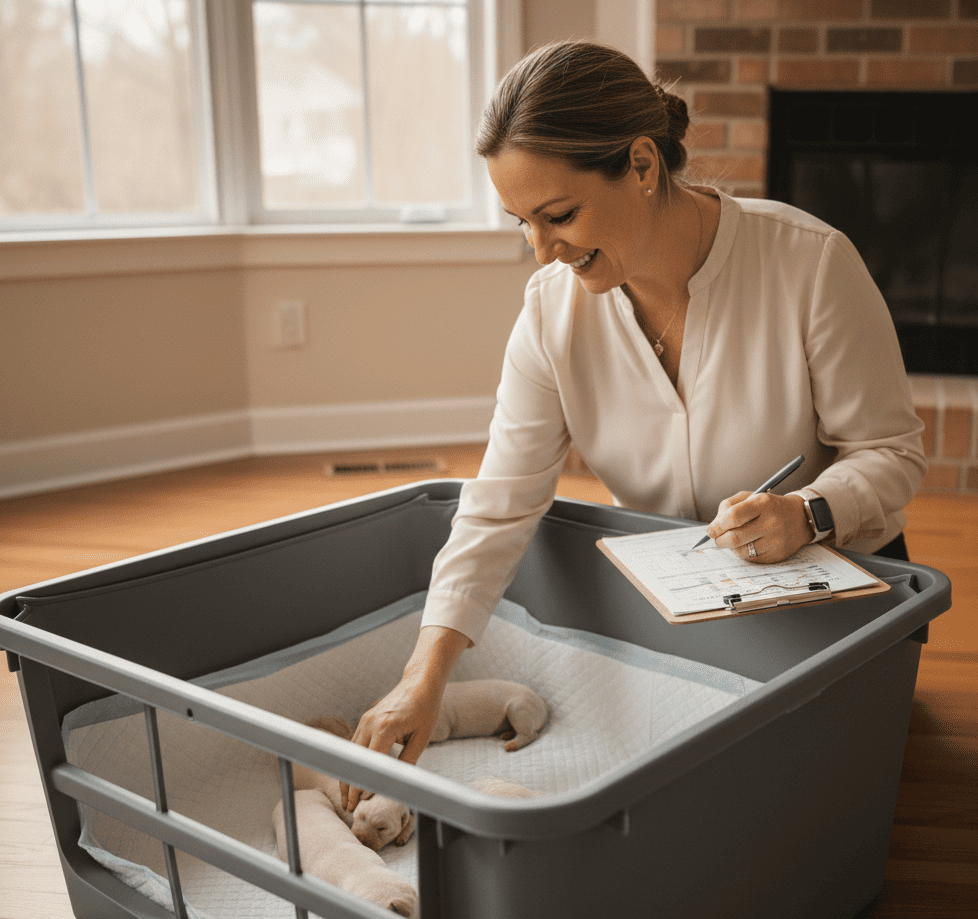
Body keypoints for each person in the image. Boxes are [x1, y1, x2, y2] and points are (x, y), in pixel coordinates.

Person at [341, 40, 926, 809]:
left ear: (644, 166)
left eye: (558, 215)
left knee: (789, 794)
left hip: (831, 593)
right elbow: (500, 502)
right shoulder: (552, 310)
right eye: (522, 223)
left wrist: (808, 512)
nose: (541, 251)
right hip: (677, 602)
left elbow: (891, 453)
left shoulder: (810, 264)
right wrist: (424, 678)